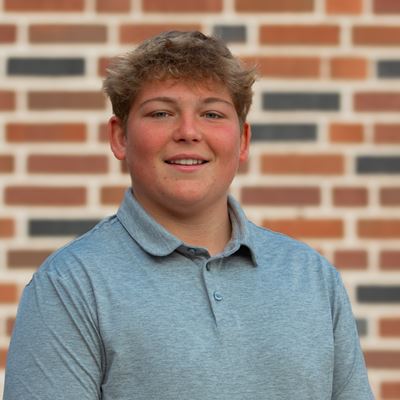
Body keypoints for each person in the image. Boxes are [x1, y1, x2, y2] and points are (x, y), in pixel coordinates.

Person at [4, 31, 374, 400]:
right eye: (161, 113)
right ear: (120, 138)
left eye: (212, 114)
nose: (188, 132)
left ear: (243, 141)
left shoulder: (312, 278)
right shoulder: (69, 286)